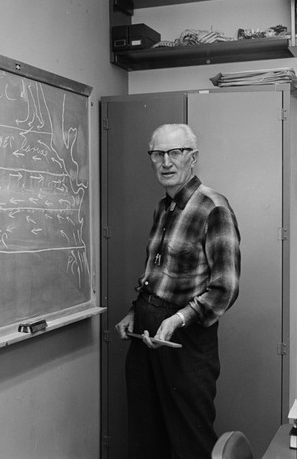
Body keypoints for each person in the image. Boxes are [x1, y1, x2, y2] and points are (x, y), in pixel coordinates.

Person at [115, 123, 241, 459]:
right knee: (145, 435)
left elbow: (225, 288)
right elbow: (156, 272)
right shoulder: (163, 207)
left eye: (175, 153)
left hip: (185, 339)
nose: (166, 162)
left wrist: (181, 318)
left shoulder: (213, 207)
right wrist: (133, 311)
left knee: (190, 440)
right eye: (158, 154)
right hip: (146, 334)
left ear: (193, 157)